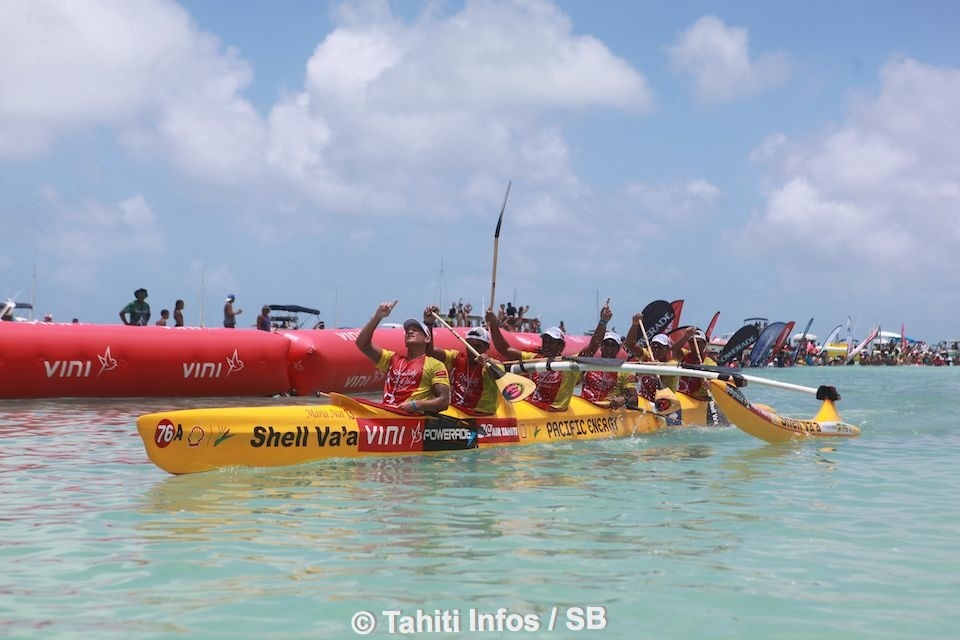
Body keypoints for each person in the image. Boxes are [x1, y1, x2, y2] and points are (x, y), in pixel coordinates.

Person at [486, 300, 616, 411]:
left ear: (561, 346)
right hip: (532, 408)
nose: (547, 345)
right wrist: (493, 324)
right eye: (545, 341)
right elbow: (505, 349)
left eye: (552, 342)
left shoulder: (569, 364)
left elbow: (592, 348)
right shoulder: (534, 359)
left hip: (554, 413)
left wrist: (603, 322)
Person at [355, 301, 450, 412]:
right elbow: (362, 344)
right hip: (387, 414)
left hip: (411, 419)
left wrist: (416, 405)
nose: (410, 331)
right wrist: (378, 317)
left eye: (416, 330)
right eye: (408, 331)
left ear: (427, 339)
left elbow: (443, 401)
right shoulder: (392, 359)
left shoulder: (436, 365)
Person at [423, 306, 501, 415]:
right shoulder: (456, 357)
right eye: (468, 345)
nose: (471, 350)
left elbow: (500, 374)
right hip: (455, 413)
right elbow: (430, 353)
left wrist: (489, 364)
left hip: (480, 416)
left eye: (477, 346)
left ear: (487, 348)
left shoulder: (493, 364)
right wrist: (429, 324)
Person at [579, 329, 637, 409]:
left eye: (613, 345)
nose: (609, 348)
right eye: (606, 344)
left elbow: (634, 399)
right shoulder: (589, 365)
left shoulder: (624, 371)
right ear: (601, 347)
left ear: (618, 349)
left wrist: (624, 399)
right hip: (584, 407)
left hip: (607, 412)